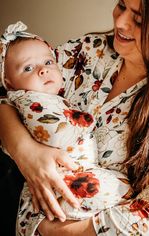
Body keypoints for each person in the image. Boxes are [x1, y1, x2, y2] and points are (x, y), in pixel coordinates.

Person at [0, 0, 149, 235]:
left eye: (138, 19)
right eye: (121, 5)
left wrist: (49, 229)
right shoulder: (90, 52)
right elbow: (11, 91)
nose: (120, 22)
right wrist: (24, 149)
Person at [0, 22, 131, 235]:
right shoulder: (33, 100)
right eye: (28, 68)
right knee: (116, 189)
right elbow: (55, 132)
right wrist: (24, 149)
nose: (43, 69)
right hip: (60, 181)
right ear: (10, 83)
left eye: (48, 62)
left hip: (66, 202)